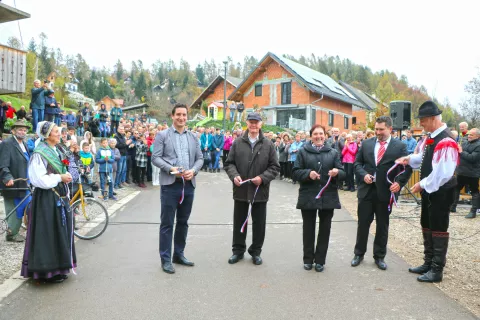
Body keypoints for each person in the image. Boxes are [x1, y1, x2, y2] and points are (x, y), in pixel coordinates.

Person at [396, 101, 458, 283]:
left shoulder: (446, 140)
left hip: (441, 191)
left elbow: (443, 172)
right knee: (427, 222)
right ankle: (428, 263)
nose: (421, 124)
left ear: (432, 119)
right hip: (431, 191)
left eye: (422, 120)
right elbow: (424, 159)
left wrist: (422, 184)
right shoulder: (431, 137)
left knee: (438, 225)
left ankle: (437, 270)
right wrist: (408, 159)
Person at [351, 116, 412, 271]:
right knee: (363, 223)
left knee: (382, 226)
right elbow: (357, 163)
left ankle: (379, 256)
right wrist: (363, 174)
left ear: (390, 129)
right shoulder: (366, 144)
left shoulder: (400, 146)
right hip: (366, 191)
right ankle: (359, 253)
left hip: (386, 193)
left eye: (381, 129)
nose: (377, 132)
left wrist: (399, 183)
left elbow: (407, 168)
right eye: (376, 129)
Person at [151, 103, 204, 274]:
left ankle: (178, 254)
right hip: (170, 185)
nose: (181, 118)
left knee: (183, 222)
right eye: (178, 114)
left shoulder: (193, 137)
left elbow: (200, 158)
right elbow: (156, 158)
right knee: (167, 223)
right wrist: (170, 169)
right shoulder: (162, 135)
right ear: (172, 116)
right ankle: (165, 259)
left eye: (184, 115)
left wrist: (193, 171)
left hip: (188, 185)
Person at [21, 121, 75, 283]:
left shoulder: (57, 149)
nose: (60, 134)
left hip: (58, 196)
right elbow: (38, 179)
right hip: (46, 199)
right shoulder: (40, 153)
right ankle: (45, 272)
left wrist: (67, 175)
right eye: (56, 132)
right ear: (47, 135)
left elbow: (66, 166)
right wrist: (59, 177)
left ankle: (59, 268)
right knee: (47, 234)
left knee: (58, 232)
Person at [224, 112, 280, 266]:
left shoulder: (268, 144)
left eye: (256, 122)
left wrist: (262, 178)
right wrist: (234, 175)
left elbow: (275, 167)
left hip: (260, 190)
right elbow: (229, 163)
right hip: (241, 189)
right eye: (251, 122)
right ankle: (238, 251)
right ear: (247, 123)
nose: (253, 125)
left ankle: (256, 251)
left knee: (259, 223)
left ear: (261, 124)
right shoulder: (237, 142)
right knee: (239, 221)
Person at [292, 124, 345, 272]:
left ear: (325, 136)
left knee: (325, 229)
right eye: (315, 134)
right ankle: (308, 259)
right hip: (308, 195)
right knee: (308, 228)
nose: (318, 137)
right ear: (311, 136)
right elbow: (295, 172)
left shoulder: (333, 152)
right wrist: (308, 174)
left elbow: (343, 172)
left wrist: (337, 172)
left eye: (321, 134)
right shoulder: (303, 152)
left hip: (328, 196)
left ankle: (320, 260)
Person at [0, 120, 31, 242]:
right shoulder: (7, 144)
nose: (22, 132)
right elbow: (2, 164)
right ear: (13, 130)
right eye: (20, 129)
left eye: (24, 130)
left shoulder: (25, 144)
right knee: (14, 209)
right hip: (13, 184)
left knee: (26, 206)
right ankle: (11, 234)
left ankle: (20, 230)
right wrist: (7, 177)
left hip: (24, 183)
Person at [450, 128, 480, 218]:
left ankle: (473, 211)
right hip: (461, 171)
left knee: (474, 191)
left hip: (472, 173)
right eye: (469, 134)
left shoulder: (478, 145)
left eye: (471, 135)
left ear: (478, 136)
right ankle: (453, 206)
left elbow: (472, 158)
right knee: (456, 188)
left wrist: (462, 152)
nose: (469, 136)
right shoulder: (465, 142)